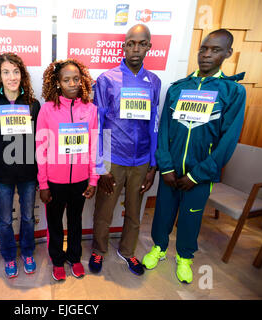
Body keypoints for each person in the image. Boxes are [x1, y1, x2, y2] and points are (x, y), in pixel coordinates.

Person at [142, 29, 246, 283]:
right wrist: (165, 167)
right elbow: (164, 128)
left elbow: (228, 141)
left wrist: (198, 175)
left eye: (215, 50)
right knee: (163, 212)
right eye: (204, 48)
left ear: (228, 53)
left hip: (200, 174)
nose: (207, 54)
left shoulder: (232, 92)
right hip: (171, 172)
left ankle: (185, 257)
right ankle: (159, 248)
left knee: (191, 215)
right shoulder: (178, 89)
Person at [88, 24, 161, 276]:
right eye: (131, 43)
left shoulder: (154, 82)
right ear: (124, 46)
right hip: (113, 159)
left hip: (141, 161)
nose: (136, 49)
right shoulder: (107, 80)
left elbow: (154, 124)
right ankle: (98, 250)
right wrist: (101, 166)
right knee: (104, 210)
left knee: (134, 210)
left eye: (142, 44)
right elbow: (98, 125)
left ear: (149, 47)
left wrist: (153, 165)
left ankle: (127, 251)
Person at [36, 58, 99, 281]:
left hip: (81, 180)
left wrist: (94, 179)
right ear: (57, 83)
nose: (72, 84)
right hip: (54, 181)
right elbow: (40, 148)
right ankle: (57, 259)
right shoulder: (47, 110)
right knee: (54, 223)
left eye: (76, 79)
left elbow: (94, 146)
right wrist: (43, 184)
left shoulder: (91, 110)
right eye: (66, 80)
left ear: (82, 80)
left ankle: (74, 257)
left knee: (75, 221)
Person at [0, 53, 40, 278]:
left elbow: (39, 144)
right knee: (5, 220)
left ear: (22, 75)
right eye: (6, 72)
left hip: (27, 173)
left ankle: (27, 252)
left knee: (27, 217)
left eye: (16, 71)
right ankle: (8, 256)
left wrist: (39, 177)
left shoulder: (33, 105)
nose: (11, 77)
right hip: (2, 175)